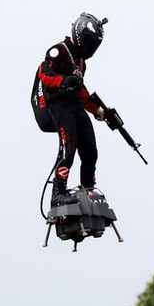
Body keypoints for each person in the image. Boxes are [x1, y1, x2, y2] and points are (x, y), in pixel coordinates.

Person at [37, 12, 108, 206]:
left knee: (90, 150)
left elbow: (81, 90)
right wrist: (64, 80)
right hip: (59, 105)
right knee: (69, 147)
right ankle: (57, 193)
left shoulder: (80, 62)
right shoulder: (58, 50)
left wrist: (97, 110)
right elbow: (45, 75)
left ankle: (88, 189)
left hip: (75, 105)